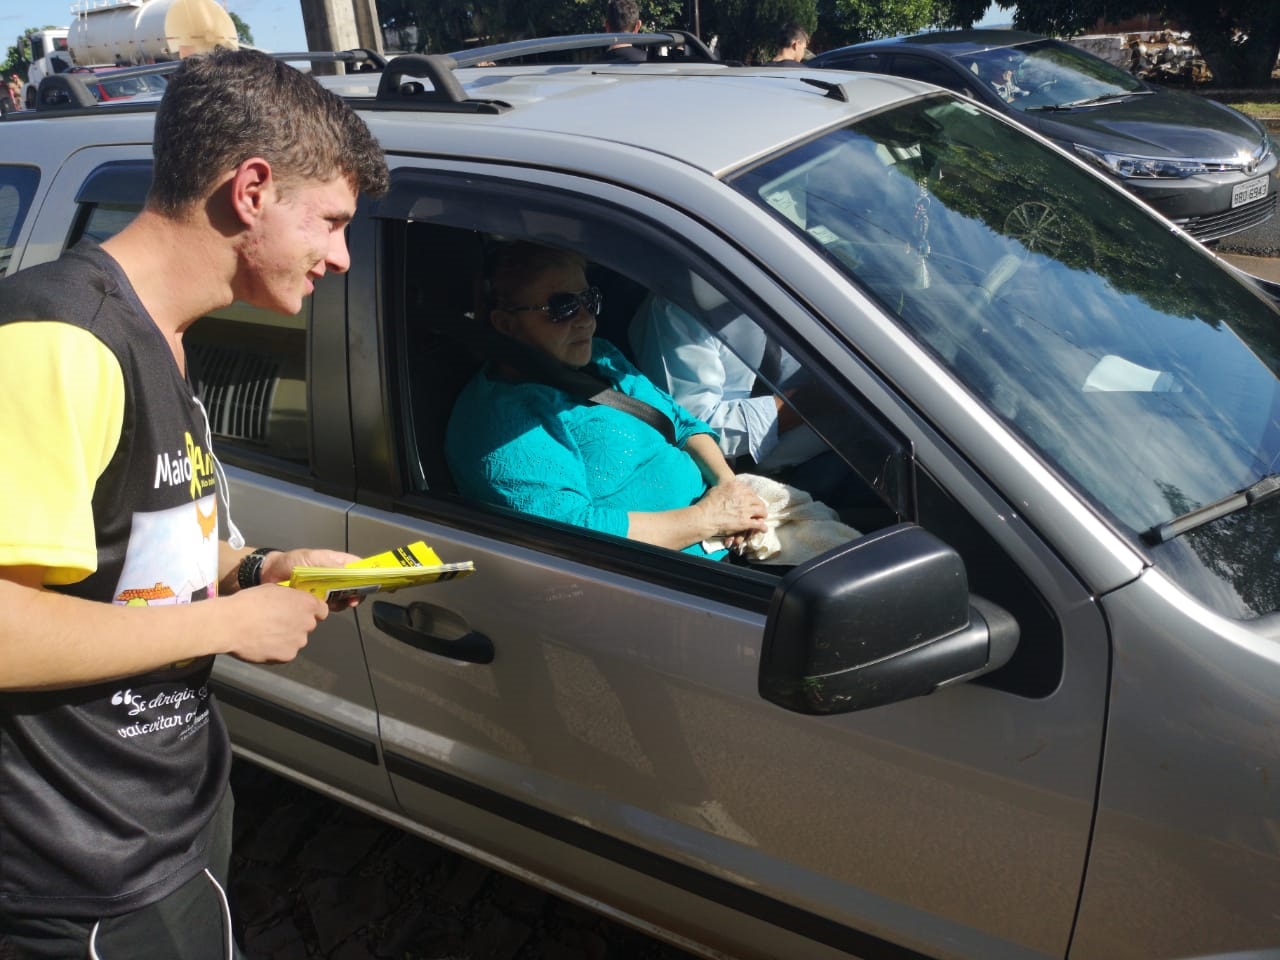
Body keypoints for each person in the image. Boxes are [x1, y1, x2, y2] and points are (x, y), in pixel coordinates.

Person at [0, 47, 388, 960]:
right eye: (331, 222)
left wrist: (260, 570)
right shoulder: (59, 341)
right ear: (251, 190)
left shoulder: (162, 333)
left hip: (164, 818)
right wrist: (229, 624)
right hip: (80, 872)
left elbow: (125, 551)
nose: (340, 256)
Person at [445, 241, 768, 559]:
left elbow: (683, 424)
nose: (586, 320)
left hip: (733, 530)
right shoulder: (500, 423)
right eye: (562, 307)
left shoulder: (602, 358)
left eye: (589, 300)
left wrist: (728, 488)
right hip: (675, 575)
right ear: (505, 324)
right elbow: (573, 534)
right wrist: (708, 519)